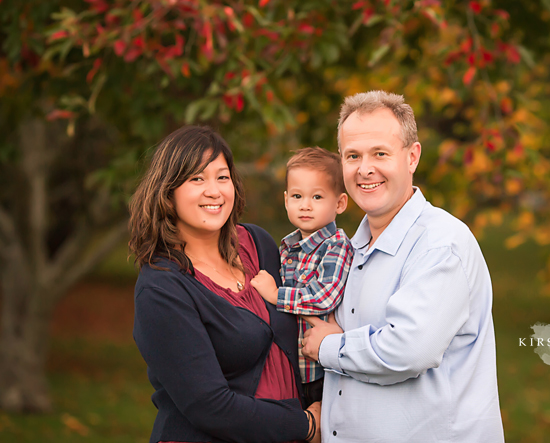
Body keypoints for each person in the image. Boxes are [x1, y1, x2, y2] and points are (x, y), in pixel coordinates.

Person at [302, 91, 505, 442]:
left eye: (380, 153)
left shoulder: (440, 243)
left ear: (412, 157)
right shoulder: (348, 250)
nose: (365, 168)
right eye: (353, 156)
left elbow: (407, 352)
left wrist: (328, 348)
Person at [128, 126, 321, 443]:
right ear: (168, 192)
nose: (214, 191)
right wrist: (307, 425)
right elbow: (210, 406)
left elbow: (296, 321)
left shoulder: (258, 244)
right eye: (197, 179)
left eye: (222, 177)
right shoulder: (162, 289)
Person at [250, 147, 353, 408]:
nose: (305, 205)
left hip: (321, 371)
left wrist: (275, 295)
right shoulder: (287, 248)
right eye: (297, 196)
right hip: (290, 368)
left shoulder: (336, 245)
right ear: (286, 200)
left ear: (340, 203)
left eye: (317, 197)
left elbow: (324, 296)